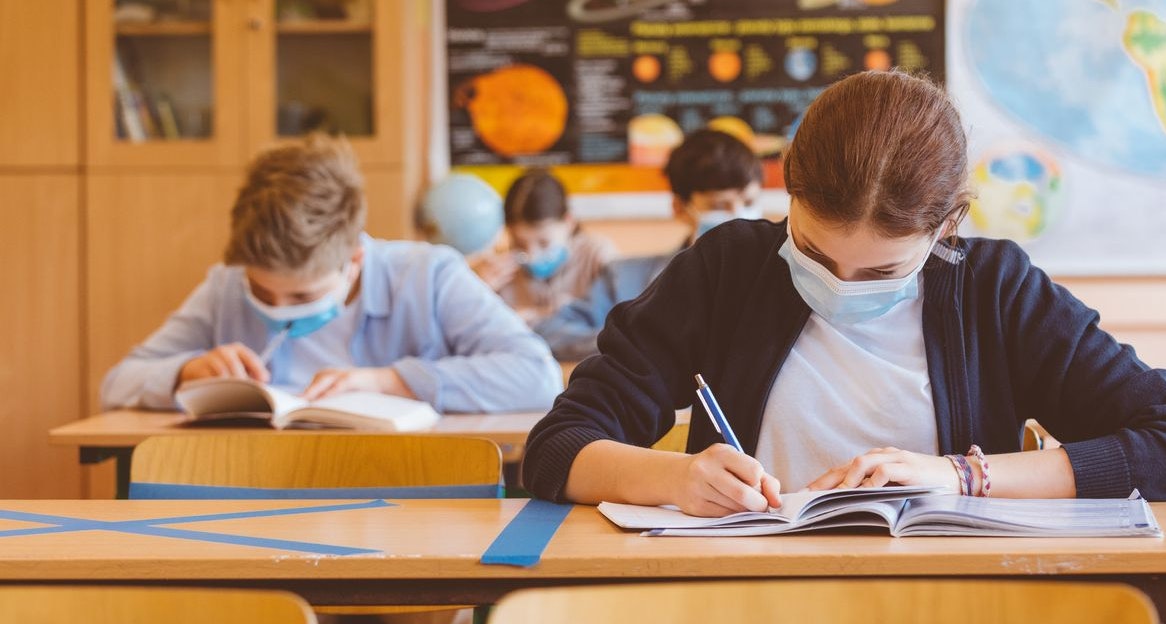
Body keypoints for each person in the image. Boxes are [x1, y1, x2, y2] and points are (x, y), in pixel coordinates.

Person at [523, 71, 1166, 515]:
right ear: (788, 190)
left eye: (881, 273)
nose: (839, 284)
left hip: (949, 602)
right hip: (746, 598)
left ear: (947, 226)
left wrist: (963, 477)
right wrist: (674, 477)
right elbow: (556, 447)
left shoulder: (994, 288)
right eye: (812, 253)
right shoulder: (726, 269)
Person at [101, 134, 563, 414]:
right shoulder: (226, 286)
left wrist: (389, 382)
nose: (277, 309)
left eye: (302, 297)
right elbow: (118, 382)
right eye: (261, 291)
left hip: (406, 499)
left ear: (354, 259)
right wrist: (185, 371)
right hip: (258, 494)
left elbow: (536, 376)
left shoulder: (429, 276)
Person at [533, 129, 764, 361]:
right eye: (719, 206)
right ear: (680, 208)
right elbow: (552, 332)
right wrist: (634, 343)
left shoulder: (778, 276)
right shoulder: (623, 278)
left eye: (748, 202)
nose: (739, 217)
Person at [471, 169, 616, 325]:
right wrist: (476, 291)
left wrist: (538, 315)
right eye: (519, 243)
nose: (532, 256)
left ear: (569, 222)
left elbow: (618, 319)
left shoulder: (597, 256)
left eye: (544, 243)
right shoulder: (496, 271)